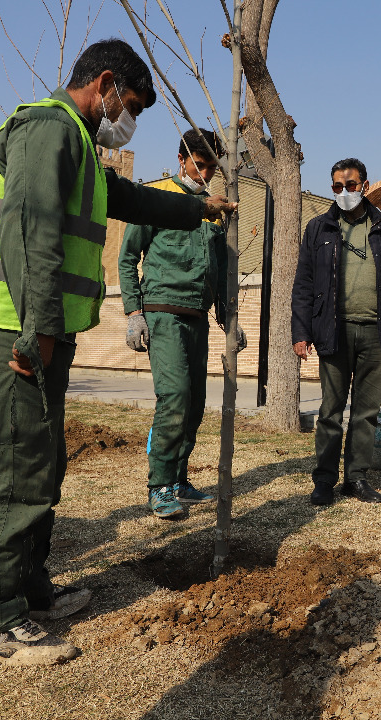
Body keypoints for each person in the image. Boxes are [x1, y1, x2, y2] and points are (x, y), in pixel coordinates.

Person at [0, 39, 236, 666]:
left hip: (34, 334)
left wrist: (200, 208)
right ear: (103, 83)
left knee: (40, 465)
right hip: (9, 331)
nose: (125, 118)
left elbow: (132, 200)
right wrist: (38, 332)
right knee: (9, 469)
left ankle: (29, 594)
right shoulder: (46, 129)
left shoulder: (78, 144)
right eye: (128, 104)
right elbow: (33, 231)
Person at [291, 158, 381, 507]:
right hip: (332, 332)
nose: (343, 192)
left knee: (367, 411)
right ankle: (324, 481)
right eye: (336, 186)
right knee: (330, 411)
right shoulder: (319, 228)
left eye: (350, 185)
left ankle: (356, 478)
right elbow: (302, 284)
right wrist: (301, 332)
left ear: (364, 184)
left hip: (375, 333)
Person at [119, 127, 228, 519]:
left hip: (197, 317)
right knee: (176, 397)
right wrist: (134, 313)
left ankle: (179, 478)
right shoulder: (158, 197)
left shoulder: (213, 208)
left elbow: (222, 267)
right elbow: (127, 257)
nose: (205, 175)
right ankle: (159, 485)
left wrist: (229, 317)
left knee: (195, 404)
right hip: (163, 313)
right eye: (199, 166)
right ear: (182, 160)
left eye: (211, 168)